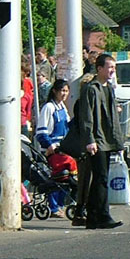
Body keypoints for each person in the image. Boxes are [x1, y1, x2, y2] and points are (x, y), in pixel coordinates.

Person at [78, 54, 125, 230]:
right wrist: (90, 140)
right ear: (99, 68)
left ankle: (93, 216)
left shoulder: (108, 88)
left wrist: (118, 141)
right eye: (109, 67)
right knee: (101, 178)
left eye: (114, 67)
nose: (112, 70)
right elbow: (87, 117)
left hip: (108, 139)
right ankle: (101, 215)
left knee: (100, 178)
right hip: (97, 140)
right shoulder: (92, 89)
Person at [35, 78, 74, 217]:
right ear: (55, 91)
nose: (64, 94)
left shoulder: (62, 107)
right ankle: (53, 207)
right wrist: (49, 145)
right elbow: (41, 132)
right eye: (62, 91)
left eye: (66, 91)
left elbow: (68, 126)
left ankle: (60, 204)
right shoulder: (49, 108)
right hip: (51, 150)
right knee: (56, 178)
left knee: (66, 178)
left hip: (63, 149)